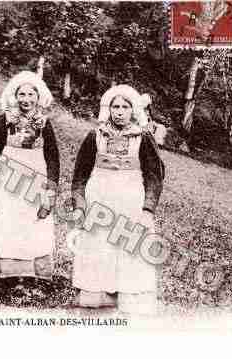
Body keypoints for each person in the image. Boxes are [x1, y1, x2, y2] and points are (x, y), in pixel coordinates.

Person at [69, 84, 165, 314]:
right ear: (108, 109)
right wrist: (80, 206)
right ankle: (97, 295)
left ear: (133, 110)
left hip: (131, 202)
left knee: (130, 247)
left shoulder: (143, 137)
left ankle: (130, 297)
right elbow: (80, 175)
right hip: (98, 201)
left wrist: (147, 210)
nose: (119, 111)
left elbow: (155, 177)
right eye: (115, 107)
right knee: (97, 246)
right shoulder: (95, 135)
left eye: (125, 107)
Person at [0, 71, 60, 280]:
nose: (26, 100)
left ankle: (32, 276)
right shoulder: (3, 121)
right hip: (8, 179)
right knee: (7, 222)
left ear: (38, 97)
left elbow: (53, 158)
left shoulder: (44, 124)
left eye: (30, 95)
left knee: (34, 223)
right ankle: (6, 275)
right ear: (14, 96)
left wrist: (51, 191)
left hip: (36, 180)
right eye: (21, 95)